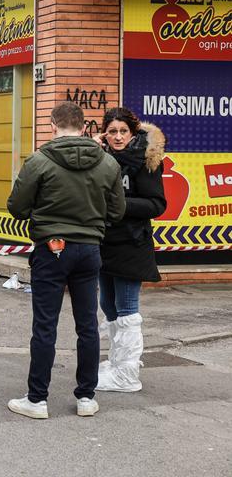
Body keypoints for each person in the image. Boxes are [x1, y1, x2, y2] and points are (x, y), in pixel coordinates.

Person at [6, 102, 125, 420]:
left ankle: (37, 400)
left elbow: (16, 207)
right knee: (87, 325)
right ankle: (86, 396)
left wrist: (44, 214)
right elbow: (116, 212)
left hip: (51, 248)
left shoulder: (39, 161)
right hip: (89, 249)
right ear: (85, 127)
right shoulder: (107, 163)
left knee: (45, 326)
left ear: (51, 125)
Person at [94, 108, 166, 393]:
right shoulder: (102, 159)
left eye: (123, 131)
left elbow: (157, 204)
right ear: (104, 134)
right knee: (108, 307)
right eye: (112, 131)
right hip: (104, 243)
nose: (118, 137)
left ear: (133, 133)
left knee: (127, 311)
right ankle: (116, 363)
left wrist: (121, 205)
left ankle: (127, 375)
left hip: (131, 244)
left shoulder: (145, 161)